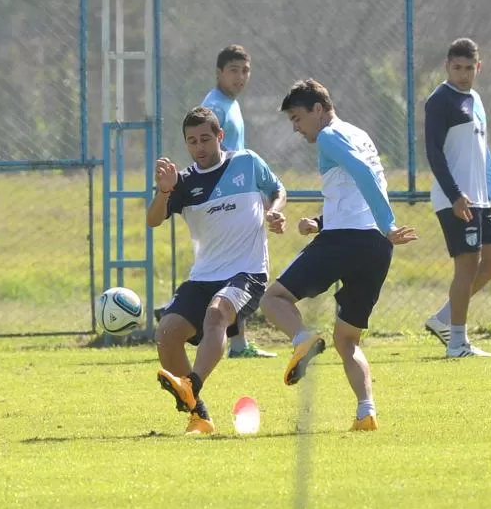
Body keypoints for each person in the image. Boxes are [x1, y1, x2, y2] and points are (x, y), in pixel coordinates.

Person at [259, 79, 417, 432]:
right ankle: (366, 412)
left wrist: (389, 223)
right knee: (347, 339)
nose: (297, 128)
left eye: (298, 118)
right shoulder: (359, 134)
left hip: (347, 240)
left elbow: (361, 175)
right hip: (375, 246)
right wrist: (321, 220)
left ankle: (303, 340)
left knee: (273, 299)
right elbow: (361, 188)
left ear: (318, 109)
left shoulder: (330, 136)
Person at [147, 106, 287, 435]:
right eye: (192, 141)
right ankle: (200, 416)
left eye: (206, 139)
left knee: (216, 315)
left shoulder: (247, 162)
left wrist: (275, 212)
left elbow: (279, 190)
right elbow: (153, 220)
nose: (200, 147)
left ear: (220, 136)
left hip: (248, 273)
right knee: (166, 334)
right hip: (203, 276)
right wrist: (165, 191)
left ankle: (190, 386)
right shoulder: (183, 182)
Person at [154, 44, 276, 359]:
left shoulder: (231, 104)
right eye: (233, 70)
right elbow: (204, 146)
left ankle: (236, 343)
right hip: (218, 197)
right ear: (219, 72)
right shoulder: (214, 105)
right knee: (224, 273)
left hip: (238, 193)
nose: (240, 77)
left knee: (236, 275)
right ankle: (220, 335)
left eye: (245, 71)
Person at [423, 37, 491, 358]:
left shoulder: (475, 99)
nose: (463, 74)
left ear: (479, 67)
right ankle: (457, 343)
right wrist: (456, 195)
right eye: (456, 68)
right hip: (455, 200)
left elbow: (483, 155)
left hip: (481, 200)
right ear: (447, 66)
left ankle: (444, 319)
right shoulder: (440, 100)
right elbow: (433, 152)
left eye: (469, 68)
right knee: (467, 267)